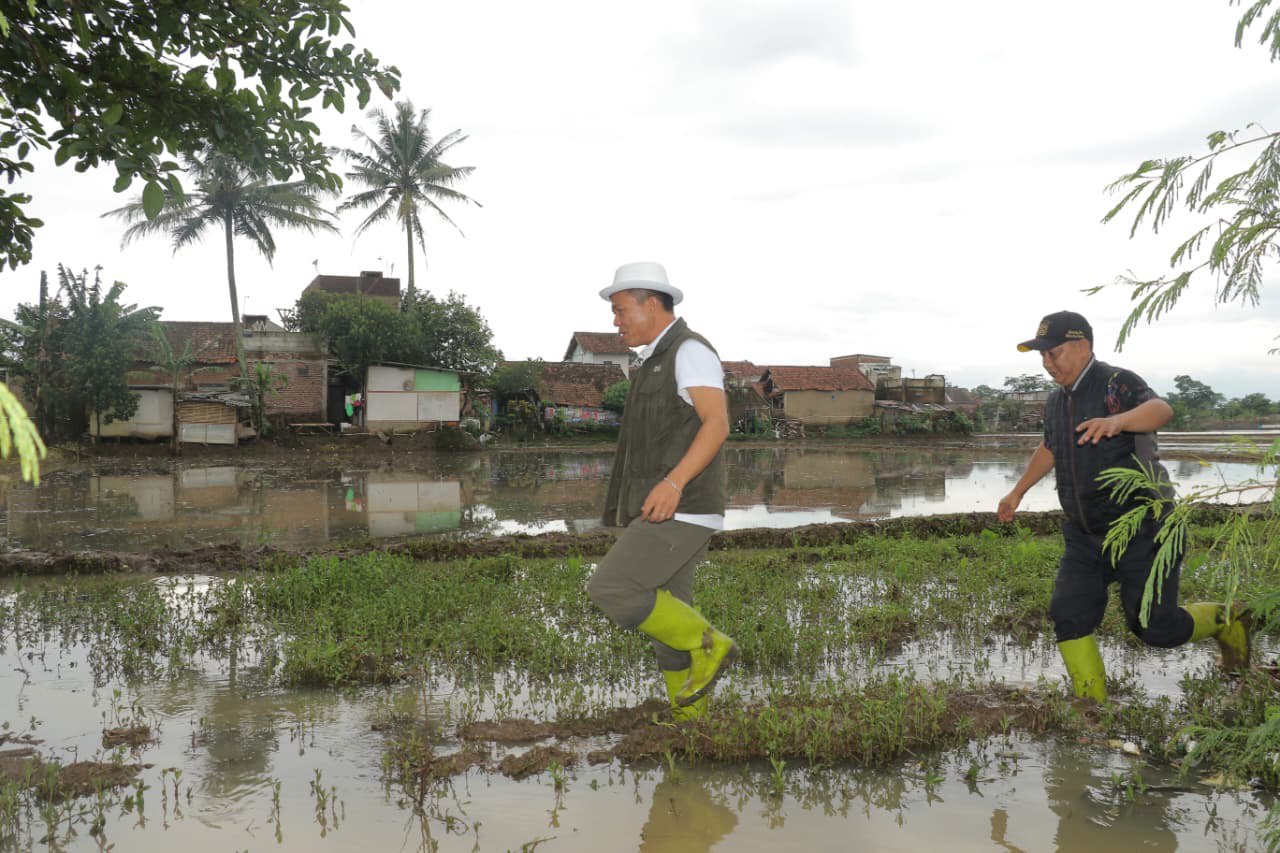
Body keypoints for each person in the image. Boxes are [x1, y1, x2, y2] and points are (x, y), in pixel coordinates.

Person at [997, 310, 1249, 702]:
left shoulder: (1116, 383)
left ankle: (1228, 619)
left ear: (1083, 346)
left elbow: (1161, 410)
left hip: (1144, 527)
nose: (1048, 363)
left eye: (1054, 353)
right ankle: (1093, 708)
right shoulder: (1055, 400)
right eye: (1042, 355)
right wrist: (1018, 491)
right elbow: (1050, 447)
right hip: (1086, 534)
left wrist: (1119, 421)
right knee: (1069, 615)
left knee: (1154, 628)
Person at [586, 261, 736, 721]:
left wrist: (673, 483)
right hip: (664, 504)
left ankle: (711, 644)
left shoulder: (688, 351)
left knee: (611, 587)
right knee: (668, 623)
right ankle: (692, 724)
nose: (615, 322)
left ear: (651, 304)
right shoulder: (651, 360)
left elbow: (717, 423)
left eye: (619, 310)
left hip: (683, 505)